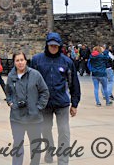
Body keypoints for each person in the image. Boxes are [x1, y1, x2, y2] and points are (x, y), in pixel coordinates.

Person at [30, 32, 80, 165]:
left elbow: (73, 83)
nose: (53, 48)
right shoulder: (37, 60)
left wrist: (74, 104)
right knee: (45, 130)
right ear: (47, 45)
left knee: (64, 131)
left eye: (56, 46)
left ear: (59, 46)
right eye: (51, 45)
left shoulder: (67, 62)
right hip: (44, 103)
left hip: (61, 102)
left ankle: (63, 160)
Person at [5, 51, 49, 165]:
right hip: (17, 117)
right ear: (14, 62)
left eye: (22, 60)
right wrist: (10, 102)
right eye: (17, 60)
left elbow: (44, 92)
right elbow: (8, 92)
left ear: (26, 61)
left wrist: (39, 107)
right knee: (17, 144)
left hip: (34, 117)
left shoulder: (35, 75)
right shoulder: (11, 76)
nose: (20, 63)